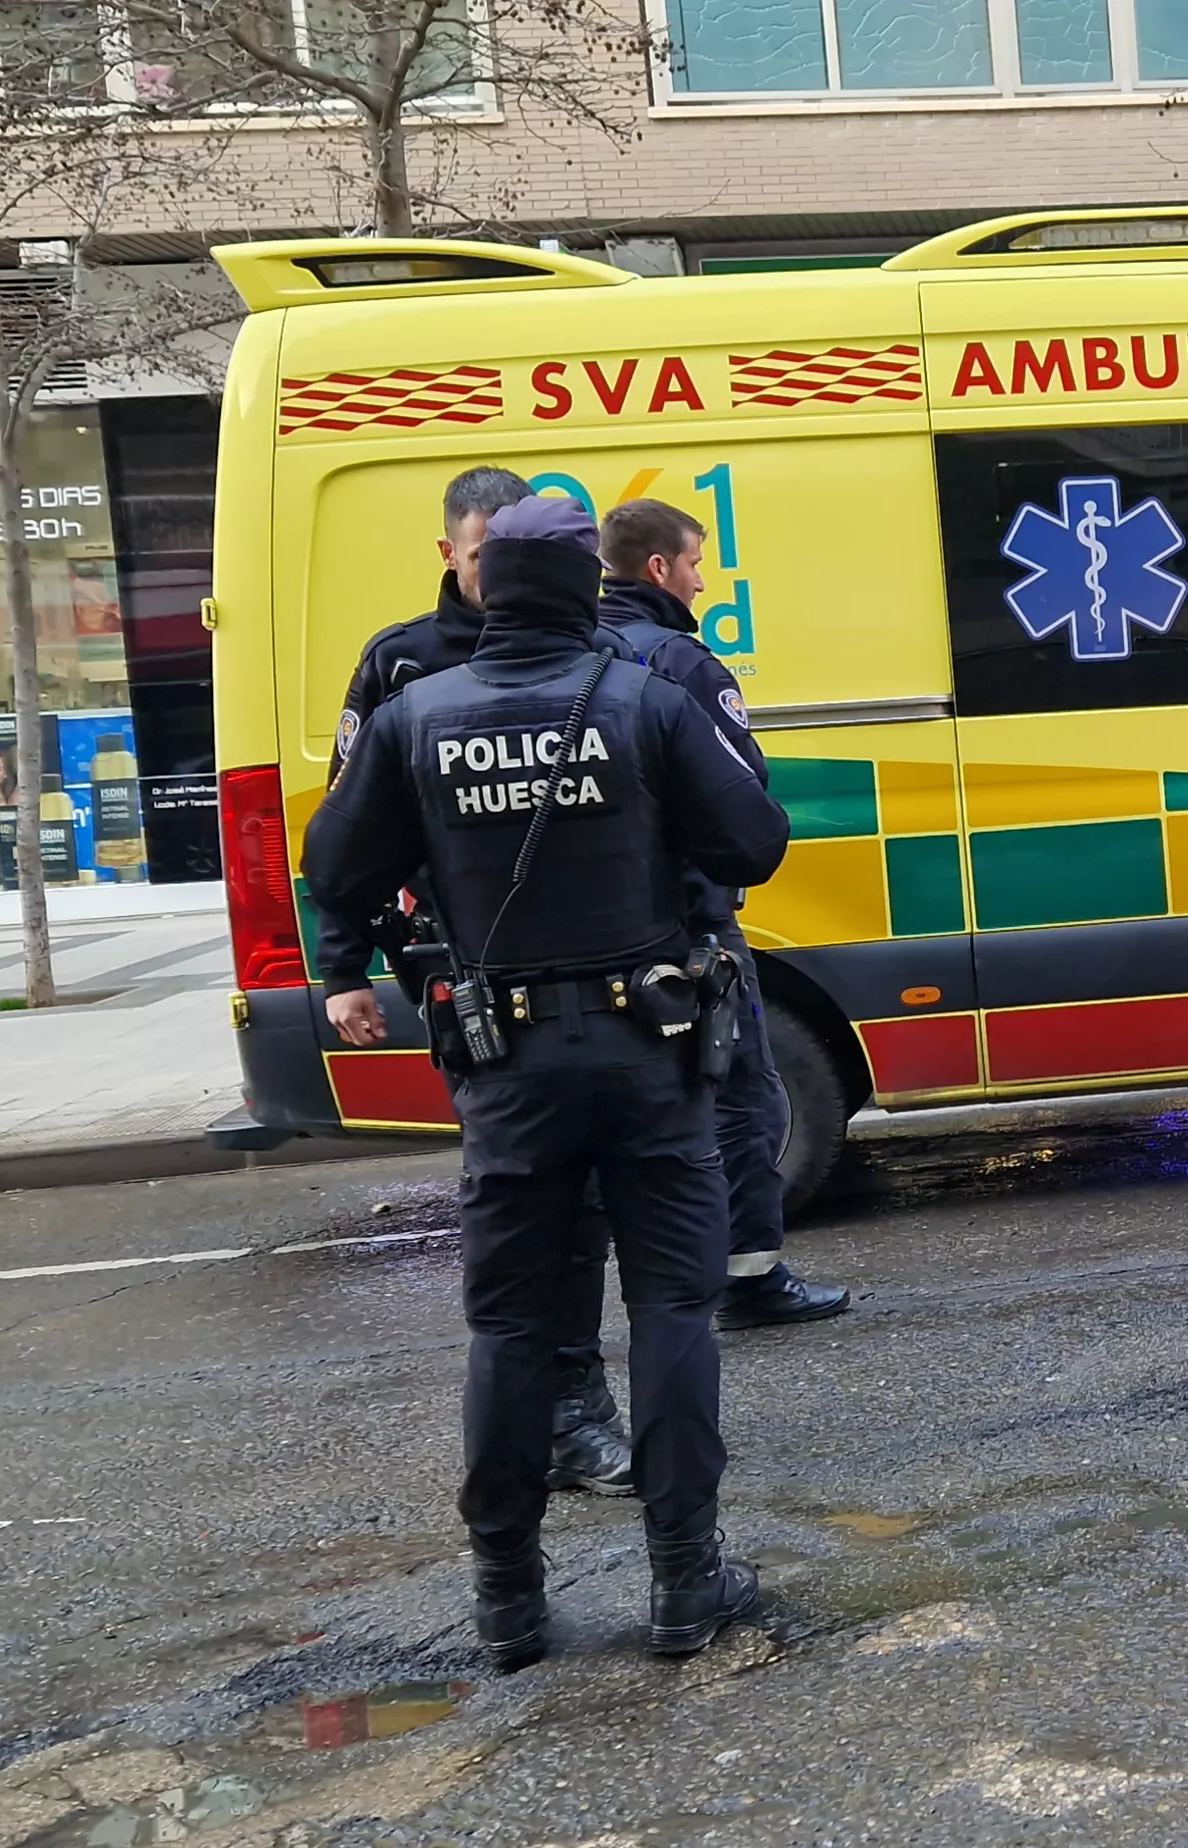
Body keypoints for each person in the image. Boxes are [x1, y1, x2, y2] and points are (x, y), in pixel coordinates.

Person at [303, 494, 793, 1668]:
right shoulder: (645, 699)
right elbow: (755, 844)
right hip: (649, 1055)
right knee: (673, 1310)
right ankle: (684, 1582)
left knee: (513, 1328)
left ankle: (508, 1604)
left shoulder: (416, 713)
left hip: (507, 1066)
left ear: (485, 586)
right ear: (586, 590)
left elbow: (335, 864)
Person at [326, 465, 637, 1500]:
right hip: (467, 981)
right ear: (452, 555)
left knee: (583, 1203)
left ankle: (572, 1408)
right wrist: (348, 969)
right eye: (475, 556)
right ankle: (542, 1423)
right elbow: (346, 840)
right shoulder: (401, 668)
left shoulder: (596, 653)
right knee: (525, 1209)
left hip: (594, 978)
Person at [594, 499, 848, 1329]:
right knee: (746, 1099)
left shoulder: (578, 654)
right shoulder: (682, 664)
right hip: (692, 926)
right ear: (660, 568)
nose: (703, 582)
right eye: (696, 564)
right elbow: (741, 805)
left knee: (640, 1115)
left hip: (601, 934)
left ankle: (659, 1284)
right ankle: (747, 1279)